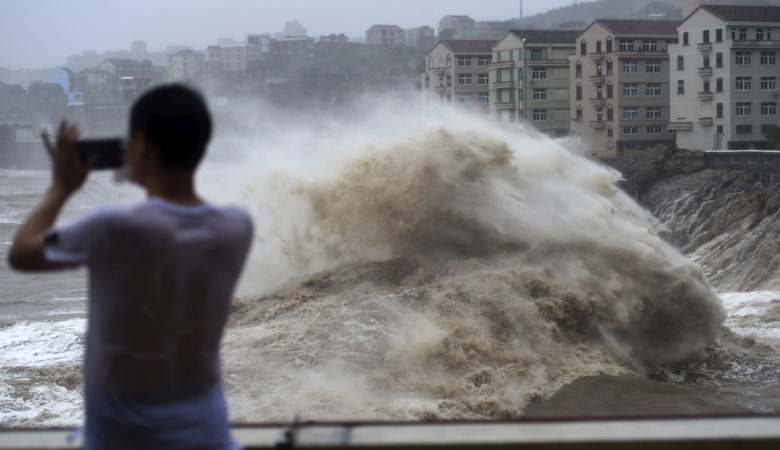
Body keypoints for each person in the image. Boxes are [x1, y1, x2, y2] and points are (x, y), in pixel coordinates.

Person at [8, 84, 252, 449]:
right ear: (201, 147)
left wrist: (60, 188)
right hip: (209, 437)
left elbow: (22, 253)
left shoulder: (115, 227)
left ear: (140, 146)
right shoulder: (236, 227)